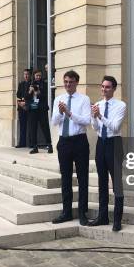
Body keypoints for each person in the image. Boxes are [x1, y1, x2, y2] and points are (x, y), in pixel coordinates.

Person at [50, 70, 91, 225]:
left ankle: (82, 213)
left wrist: (69, 113)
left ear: (76, 82)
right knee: (65, 179)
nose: (68, 84)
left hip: (79, 141)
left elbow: (86, 120)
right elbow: (54, 122)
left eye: (71, 82)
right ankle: (66, 212)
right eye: (66, 81)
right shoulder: (58, 99)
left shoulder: (84, 99)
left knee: (83, 178)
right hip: (64, 142)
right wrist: (61, 113)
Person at [89, 76, 126, 231]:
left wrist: (100, 116)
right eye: (103, 86)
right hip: (101, 143)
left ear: (114, 89)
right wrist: (93, 117)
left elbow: (115, 127)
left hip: (114, 143)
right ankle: (103, 217)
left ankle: (117, 220)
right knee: (102, 182)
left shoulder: (121, 105)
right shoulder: (98, 104)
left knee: (116, 182)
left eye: (108, 87)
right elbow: (96, 128)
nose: (104, 89)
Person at [26, 69, 53, 154]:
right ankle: (34, 147)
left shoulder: (44, 84)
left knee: (45, 127)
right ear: (34, 76)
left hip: (41, 109)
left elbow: (46, 96)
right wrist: (30, 91)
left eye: (40, 76)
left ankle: (49, 145)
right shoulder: (30, 84)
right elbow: (26, 97)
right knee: (32, 128)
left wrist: (38, 92)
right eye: (37, 75)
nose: (38, 77)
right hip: (32, 109)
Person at [15, 68, 31, 148]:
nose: (26, 76)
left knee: (30, 126)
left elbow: (32, 97)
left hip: (29, 108)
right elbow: (18, 95)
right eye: (25, 74)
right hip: (21, 108)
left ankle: (31, 143)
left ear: (30, 75)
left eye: (27, 74)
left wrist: (26, 103)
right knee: (22, 126)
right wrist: (21, 104)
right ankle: (22, 143)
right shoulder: (21, 84)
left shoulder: (32, 84)